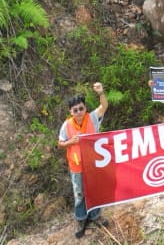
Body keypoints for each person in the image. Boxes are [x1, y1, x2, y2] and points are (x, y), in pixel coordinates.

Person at [58, 82, 109, 238]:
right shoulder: (66, 125)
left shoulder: (92, 118)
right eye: (75, 110)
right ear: (70, 111)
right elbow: (60, 143)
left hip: (93, 163)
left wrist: (101, 93)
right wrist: (70, 142)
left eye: (81, 108)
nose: (79, 112)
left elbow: (104, 107)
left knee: (93, 189)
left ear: (85, 108)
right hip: (77, 166)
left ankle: (95, 215)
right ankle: (81, 219)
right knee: (79, 193)